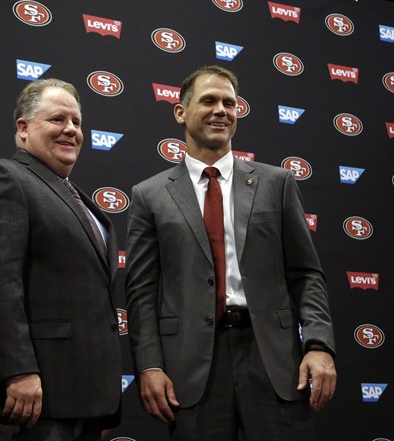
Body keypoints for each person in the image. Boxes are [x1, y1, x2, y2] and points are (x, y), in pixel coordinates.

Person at [125, 65, 337, 441]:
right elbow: (142, 292)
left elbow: (306, 274)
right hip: (191, 367)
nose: (221, 110)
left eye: (230, 103)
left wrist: (319, 345)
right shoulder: (149, 195)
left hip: (274, 361)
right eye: (209, 100)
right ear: (180, 112)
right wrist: (149, 366)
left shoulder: (277, 183)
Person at [0, 78, 122, 440]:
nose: (71, 130)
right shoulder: (3, 178)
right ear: (23, 128)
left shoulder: (77, 198)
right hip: (34, 400)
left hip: (87, 401)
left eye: (76, 122)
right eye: (57, 119)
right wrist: (16, 371)